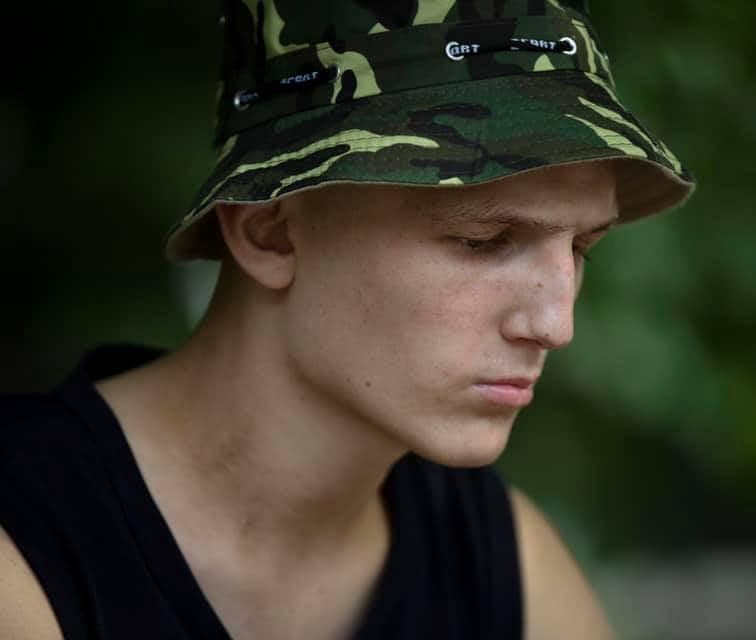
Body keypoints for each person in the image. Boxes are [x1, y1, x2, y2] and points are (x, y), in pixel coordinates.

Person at [0, 1, 694, 638]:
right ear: (271, 230)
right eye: (483, 240)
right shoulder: (26, 549)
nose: (554, 324)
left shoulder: (503, 566)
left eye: (580, 248)